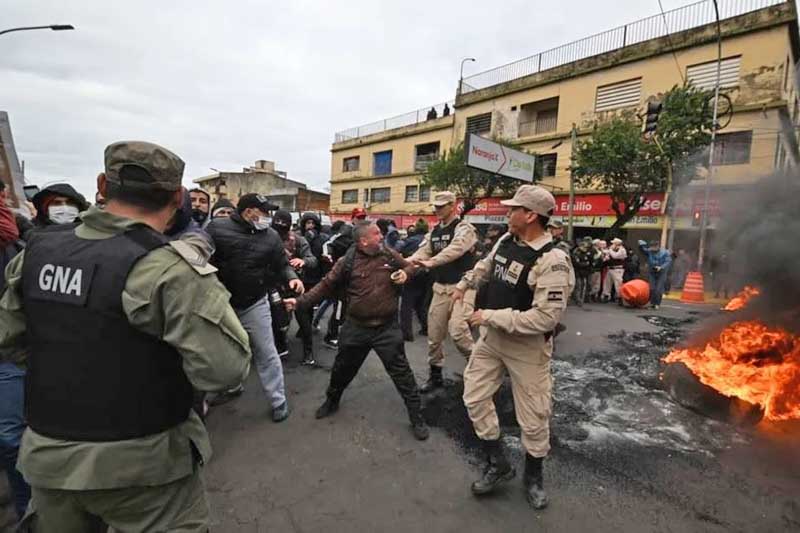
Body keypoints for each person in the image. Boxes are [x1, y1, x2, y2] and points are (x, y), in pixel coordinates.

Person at [0, 141, 251, 531]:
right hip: (143, 468)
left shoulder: (35, 253)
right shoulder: (170, 270)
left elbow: (10, 341)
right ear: (177, 197)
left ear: (102, 185)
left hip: (50, 460)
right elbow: (224, 371)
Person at [454, 184, 573, 510]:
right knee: (474, 396)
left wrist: (488, 315)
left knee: (534, 416)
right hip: (492, 340)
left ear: (531, 215)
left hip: (527, 348)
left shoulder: (553, 261)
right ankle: (498, 463)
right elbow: (488, 266)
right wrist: (465, 283)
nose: (507, 213)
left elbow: (544, 319)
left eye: (512, 209)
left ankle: (533, 476)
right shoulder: (508, 240)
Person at [284, 222, 430, 441]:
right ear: (363, 241)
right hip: (356, 328)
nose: (382, 237)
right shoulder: (347, 261)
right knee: (342, 369)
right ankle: (332, 401)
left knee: (402, 374)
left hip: (386, 328)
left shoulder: (388, 254)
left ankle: (417, 416)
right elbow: (325, 286)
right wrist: (299, 302)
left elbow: (409, 267)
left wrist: (405, 274)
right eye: (377, 234)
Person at [206, 193, 305, 422]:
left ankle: (278, 401)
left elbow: (281, 263)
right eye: (264, 212)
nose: (268, 217)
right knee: (225, 351)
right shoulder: (217, 229)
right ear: (249, 211)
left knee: (267, 352)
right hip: (222, 302)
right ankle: (231, 387)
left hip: (254, 302)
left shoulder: (270, 236)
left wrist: (292, 277)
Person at [408, 191, 478, 393]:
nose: (437, 209)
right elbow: (423, 251)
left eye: (441, 206)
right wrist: (409, 262)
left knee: (458, 332)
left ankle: (480, 371)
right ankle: (435, 375)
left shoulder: (465, 228)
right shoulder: (435, 231)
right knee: (434, 335)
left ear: (452, 205)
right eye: (435, 206)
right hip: (440, 288)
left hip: (462, 288)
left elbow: (455, 249)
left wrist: (430, 262)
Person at [272, 209, 318, 365]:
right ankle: (281, 347)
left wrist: (303, 261)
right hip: (275, 287)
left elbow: (313, 260)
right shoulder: (267, 238)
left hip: (297, 287)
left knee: (304, 323)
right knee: (279, 323)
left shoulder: (298, 240)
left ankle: (308, 352)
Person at [397, 221, 429, 342]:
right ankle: (426, 327)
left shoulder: (409, 241)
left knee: (407, 305)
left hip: (411, 274)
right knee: (421, 303)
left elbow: (398, 253)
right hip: (426, 274)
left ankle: (407, 333)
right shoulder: (428, 240)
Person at [638, 239, 672, 309]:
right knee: (652, 288)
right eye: (651, 247)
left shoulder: (665, 252)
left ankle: (657, 304)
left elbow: (668, 261)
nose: (652, 249)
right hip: (652, 272)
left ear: (658, 246)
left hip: (661, 272)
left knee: (658, 289)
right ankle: (652, 303)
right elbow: (643, 251)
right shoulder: (650, 251)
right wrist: (641, 245)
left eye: (654, 247)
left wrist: (661, 267)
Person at [571, 237, 593, 306]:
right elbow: (577, 263)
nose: (585, 249)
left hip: (584, 273)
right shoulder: (576, 253)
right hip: (578, 272)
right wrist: (585, 264)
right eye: (584, 247)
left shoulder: (586, 254)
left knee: (584, 286)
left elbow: (590, 262)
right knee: (578, 286)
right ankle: (578, 299)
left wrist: (586, 264)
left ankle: (581, 299)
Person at [603, 238, 627, 303]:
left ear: (617, 244)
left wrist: (610, 250)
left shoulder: (622, 250)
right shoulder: (612, 250)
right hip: (610, 268)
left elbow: (615, 256)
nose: (612, 244)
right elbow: (606, 254)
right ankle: (606, 295)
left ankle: (620, 298)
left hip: (617, 269)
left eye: (613, 243)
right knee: (607, 283)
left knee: (618, 284)